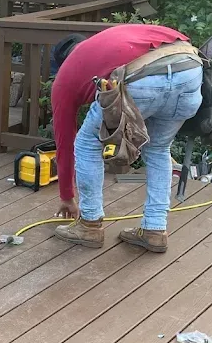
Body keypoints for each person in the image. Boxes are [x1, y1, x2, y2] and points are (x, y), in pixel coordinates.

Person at [51, 24, 203, 254]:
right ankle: (154, 230)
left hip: (144, 76)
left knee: (86, 143)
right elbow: (180, 38)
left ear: (62, 61)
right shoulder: (109, 41)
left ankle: (89, 224)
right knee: (159, 148)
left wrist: (66, 196)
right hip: (190, 68)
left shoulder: (66, 73)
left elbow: (65, 140)